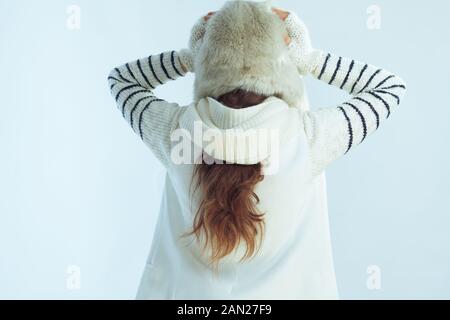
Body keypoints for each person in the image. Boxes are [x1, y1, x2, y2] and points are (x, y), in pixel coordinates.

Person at [107, 0, 406, 299]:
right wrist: (308, 60)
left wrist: (189, 58)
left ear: (210, 64)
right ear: (279, 66)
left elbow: (121, 79)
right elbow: (389, 88)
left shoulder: (175, 131)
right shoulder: (306, 136)